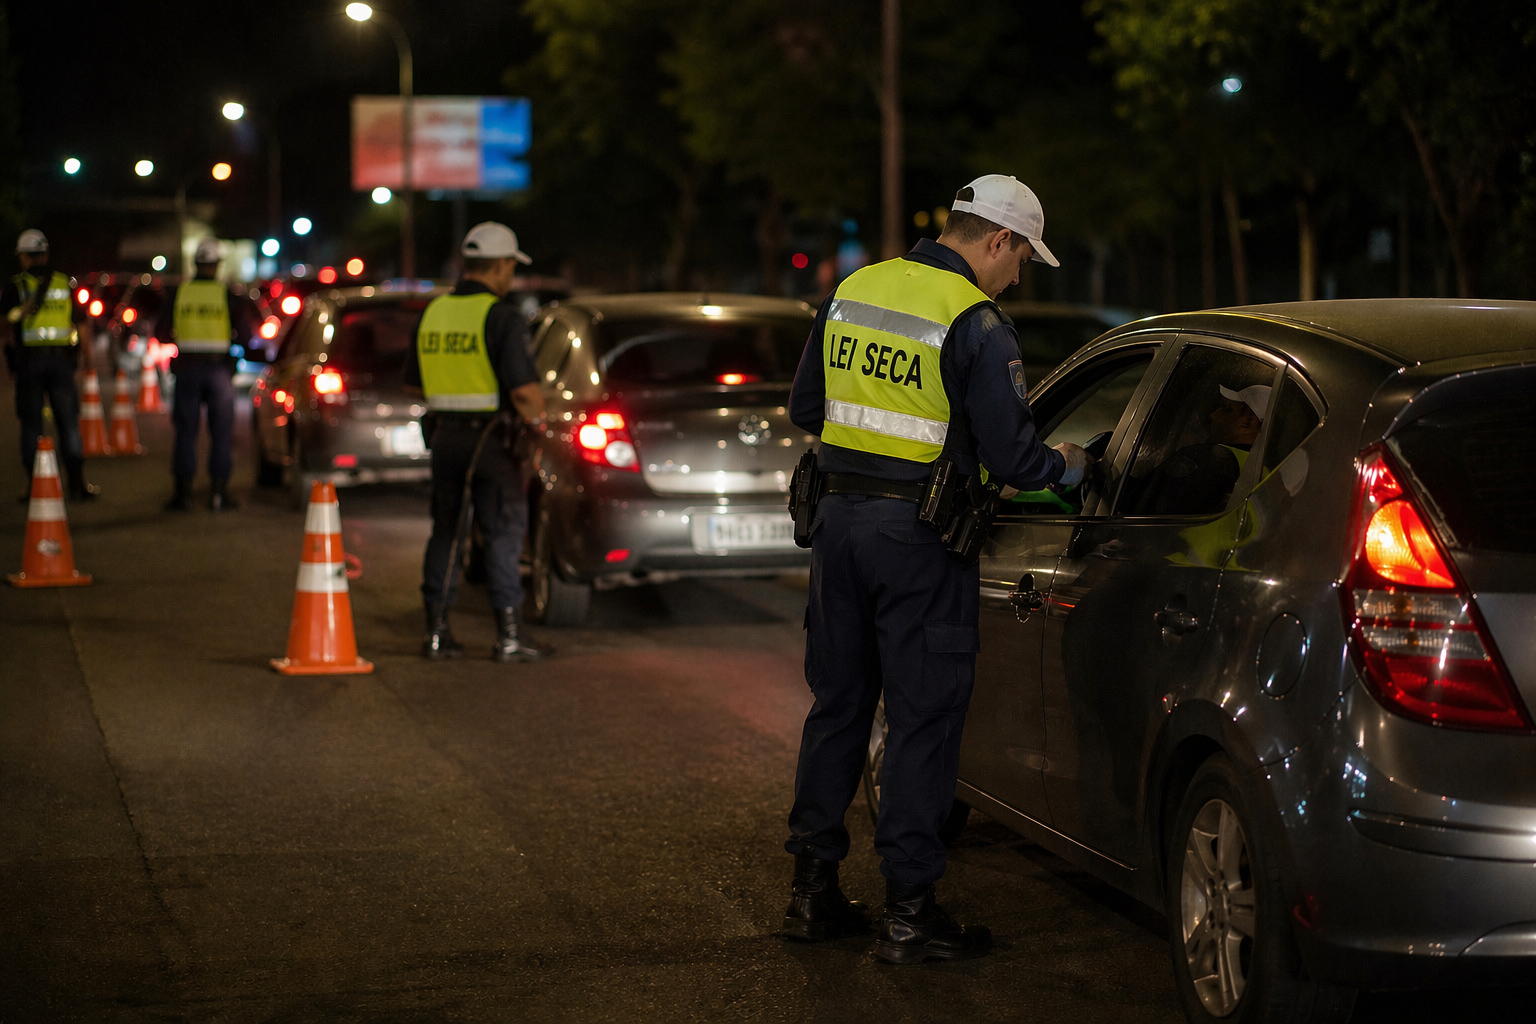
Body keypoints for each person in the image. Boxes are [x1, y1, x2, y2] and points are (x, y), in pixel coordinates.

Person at [782, 175, 1090, 963]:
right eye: (1020, 259)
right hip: (919, 540)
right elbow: (1014, 459)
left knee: (839, 708)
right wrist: (1069, 464)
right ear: (998, 240)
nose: (1016, 277)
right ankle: (911, 912)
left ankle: (812, 895)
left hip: (839, 527)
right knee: (923, 721)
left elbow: (807, 409)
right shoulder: (975, 322)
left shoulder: (855, 287)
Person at [403, 222, 553, 663]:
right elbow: (525, 392)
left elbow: (414, 386)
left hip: (445, 437)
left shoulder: (433, 313)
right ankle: (508, 636)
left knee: (447, 531)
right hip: (491, 441)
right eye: (511, 266)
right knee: (503, 531)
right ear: (502, 266)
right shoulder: (501, 316)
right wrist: (540, 425)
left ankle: (436, 632)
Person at [155, 239, 256, 511]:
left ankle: (183, 495)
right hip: (219, 371)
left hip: (187, 369)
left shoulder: (179, 293)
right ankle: (219, 494)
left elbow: (160, 333)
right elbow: (246, 337)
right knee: (221, 433)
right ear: (217, 266)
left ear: (196, 264)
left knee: (185, 432)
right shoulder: (227, 295)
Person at [2, 229, 98, 502]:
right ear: (45, 254)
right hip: (60, 363)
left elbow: (2, 327)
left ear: (23, 257)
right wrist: (88, 358)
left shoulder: (15, 287)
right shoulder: (64, 284)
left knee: (31, 425)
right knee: (68, 423)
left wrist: (18, 313)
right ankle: (78, 485)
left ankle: (34, 488)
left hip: (29, 364)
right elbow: (82, 323)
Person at [1138, 383, 1270, 517]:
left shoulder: (1209, 461)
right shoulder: (1267, 475)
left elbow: (1150, 510)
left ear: (1248, 422)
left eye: (1226, 408)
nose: (1213, 415)